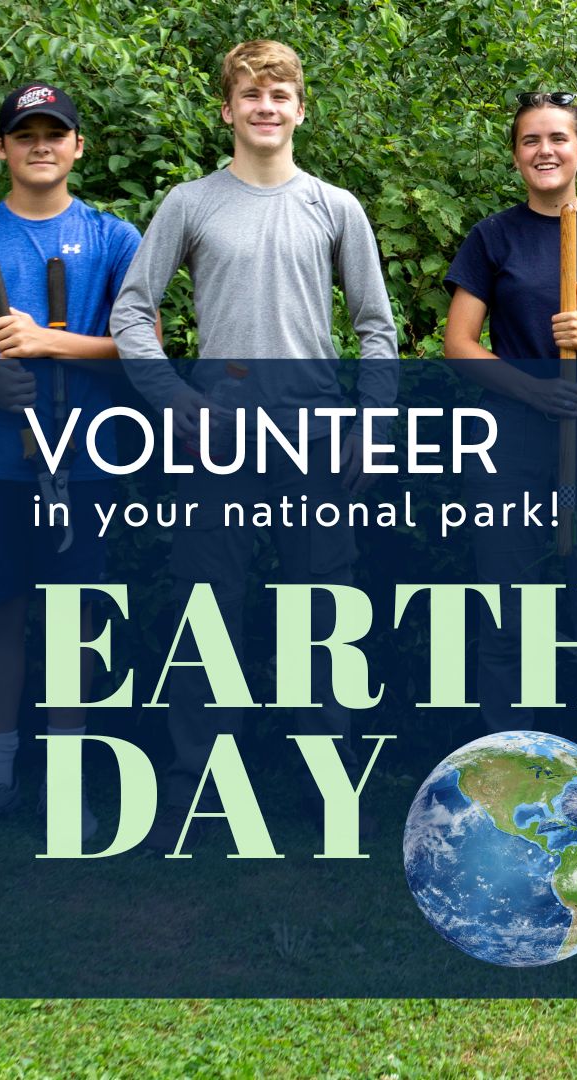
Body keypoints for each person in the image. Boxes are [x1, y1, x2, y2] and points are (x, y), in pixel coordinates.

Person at [110, 39, 399, 847]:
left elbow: (377, 327)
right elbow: (133, 311)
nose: (266, 107)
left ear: (300, 109)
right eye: (251, 94)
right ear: (229, 109)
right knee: (207, 616)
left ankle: (327, 790)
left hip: (314, 432)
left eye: (280, 94)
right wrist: (170, 396)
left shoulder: (334, 205)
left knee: (321, 622)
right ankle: (200, 791)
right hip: (218, 436)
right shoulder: (190, 204)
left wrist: (371, 421)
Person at [0, 84, 142, 844]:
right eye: (25, 134)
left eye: (55, 133)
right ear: (3, 147)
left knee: (73, 623)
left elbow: (142, 348)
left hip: (85, 462)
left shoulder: (114, 239)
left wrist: (50, 344)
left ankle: (69, 780)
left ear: (78, 147)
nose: (41, 145)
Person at [444, 92, 577, 790]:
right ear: (516, 154)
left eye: (559, 138)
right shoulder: (493, 238)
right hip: (511, 438)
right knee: (509, 604)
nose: (546, 150)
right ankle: (508, 769)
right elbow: (458, 344)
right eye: (531, 139)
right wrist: (533, 389)